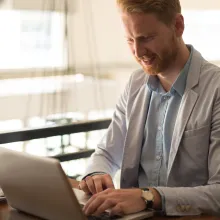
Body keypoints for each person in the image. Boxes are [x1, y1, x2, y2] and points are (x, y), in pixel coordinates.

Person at [77, 0, 220, 217]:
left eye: (147, 38)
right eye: (130, 40)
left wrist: (149, 197)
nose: (138, 51)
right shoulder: (135, 83)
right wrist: (97, 173)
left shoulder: (216, 89)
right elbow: (106, 153)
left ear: (178, 26)